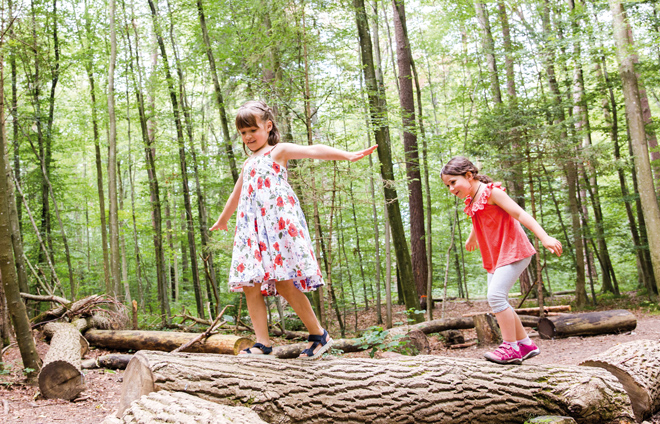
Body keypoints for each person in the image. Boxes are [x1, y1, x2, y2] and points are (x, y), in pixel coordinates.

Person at [211, 100, 377, 360]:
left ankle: (318, 335)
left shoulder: (277, 151)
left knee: (285, 283)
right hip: (252, 230)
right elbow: (236, 193)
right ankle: (263, 344)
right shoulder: (248, 163)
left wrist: (346, 154)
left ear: (268, 126)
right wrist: (223, 219)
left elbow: (314, 150)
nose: (248, 137)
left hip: (276, 227)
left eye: (252, 130)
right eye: (243, 133)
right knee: (250, 285)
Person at [441, 157, 562, 365]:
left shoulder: (493, 192)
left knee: (496, 297)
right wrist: (472, 237)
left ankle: (510, 347)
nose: (451, 189)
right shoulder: (472, 199)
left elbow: (520, 213)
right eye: (447, 185)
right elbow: (478, 218)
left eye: (453, 182)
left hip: (514, 250)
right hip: (496, 255)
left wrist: (545, 237)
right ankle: (525, 344)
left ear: (469, 176)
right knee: (498, 299)